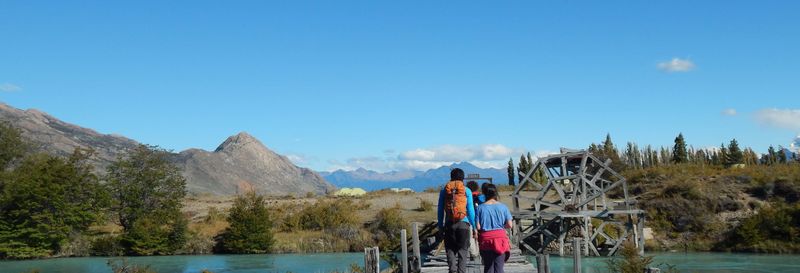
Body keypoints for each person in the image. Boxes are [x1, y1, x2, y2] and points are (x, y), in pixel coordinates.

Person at [437, 168, 476, 273]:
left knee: (450, 249)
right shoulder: (466, 190)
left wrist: (440, 226)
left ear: (451, 177)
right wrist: (474, 227)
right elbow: (471, 210)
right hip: (464, 224)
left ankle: (452, 270)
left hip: (449, 224)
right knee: (463, 251)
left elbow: (440, 210)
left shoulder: (444, 190)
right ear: (462, 178)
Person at [475, 183, 513, 273]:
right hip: (500, 239)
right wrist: (501, 227)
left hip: (486, 239)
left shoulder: (480, 208)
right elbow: (510, 225)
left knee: (488, 267)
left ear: (484, 193)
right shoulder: (503, 207)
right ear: (496, 193)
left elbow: (478, 226)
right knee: (499, 267)